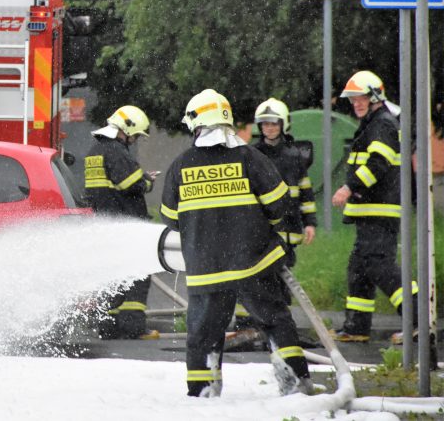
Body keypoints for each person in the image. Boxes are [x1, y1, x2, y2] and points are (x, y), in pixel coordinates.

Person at [162, 89, 311, 398]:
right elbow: (280, 204)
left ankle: (203, 393)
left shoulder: (180, 165)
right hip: (253, 264)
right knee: (275, 320)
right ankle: (296, 385)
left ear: (198, 124)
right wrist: (261, 231)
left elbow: (171, 219)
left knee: (203, 334)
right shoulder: (250, 158)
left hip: (206, 271)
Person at [331, 70, 417, 344]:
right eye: (353, 99)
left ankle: (418, 319)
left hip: (380, 210)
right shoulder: (372, 123)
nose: (356, 103)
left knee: (380, 266)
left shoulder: (381, 124)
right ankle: (356, 326)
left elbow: (378, 164)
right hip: (370, 211)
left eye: (362, 98)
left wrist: (349, 187)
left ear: (376, 97)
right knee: (359, 267)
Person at [227, 98, 318, 349]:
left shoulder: (295, 157)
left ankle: (278, 331)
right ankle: (248, 328)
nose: (269, 128)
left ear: (283, 124)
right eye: (265, 124)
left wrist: (310, 222)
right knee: (252, 278)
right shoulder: (251, 155)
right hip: (260, 232)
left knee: (280, 283)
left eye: (273, 123)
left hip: (288, 233)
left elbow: (306, 194)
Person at [83, 105, 159, 340]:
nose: (135, 140)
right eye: (136, 135)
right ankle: (134, 328)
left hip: (106, 225)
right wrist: (148, 181)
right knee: (138, 275)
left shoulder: (95, 150)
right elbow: (132, 184)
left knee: (113, 277)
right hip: (125, 224)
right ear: (127, 129)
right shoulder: (115, 151)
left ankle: (109, 327)